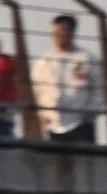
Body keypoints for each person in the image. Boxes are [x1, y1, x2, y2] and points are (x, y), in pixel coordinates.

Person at [31, 13, 101, 143]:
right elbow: (36, 91)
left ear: (71, 33)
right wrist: (42, 115)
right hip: (54, 124)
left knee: (84, 161)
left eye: (61, 32)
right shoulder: (43, 62)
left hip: (81, 122)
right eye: (54, 33)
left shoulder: (86, 58)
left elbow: (99, 88)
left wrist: (92, 113)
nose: (56, 37)